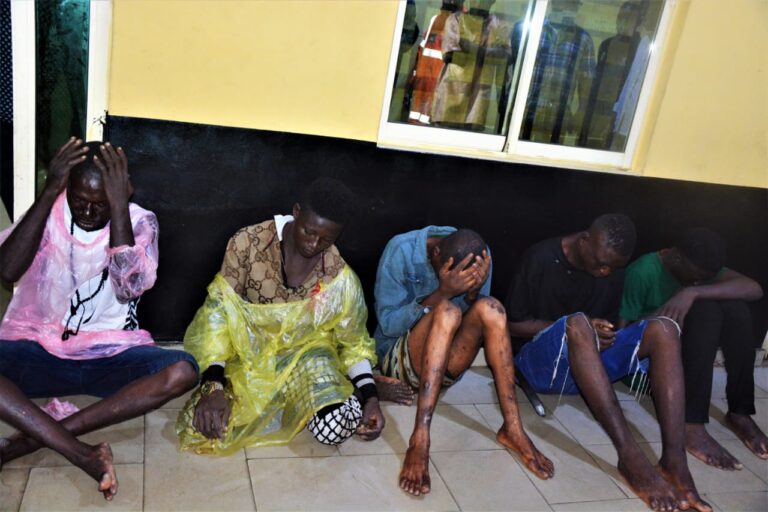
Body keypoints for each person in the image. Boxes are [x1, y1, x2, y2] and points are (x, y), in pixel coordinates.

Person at [0, 138, 199, 500]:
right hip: (40, 347)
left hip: (110, 354)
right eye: (79, 200)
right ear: (67, 188)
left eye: (100, 204)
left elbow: (128, 287)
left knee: (183, 371)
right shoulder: (51, 210)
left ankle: (31, 440)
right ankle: (82, 453)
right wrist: (48, 194)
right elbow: (8, 269)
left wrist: (119, 207)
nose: (88, 212)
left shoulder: (138, 221)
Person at [176, 178, 411, 455]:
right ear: (296, 212)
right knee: (202, 426)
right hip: (248, 359)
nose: (313, 244)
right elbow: (216, 317)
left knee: (335, 428)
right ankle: (310, 398)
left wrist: (371, 400)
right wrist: (214, 386)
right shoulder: (247, 244)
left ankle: (352, 391)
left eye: (327, 239)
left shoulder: (338, 275)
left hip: (306, 358)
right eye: (308, 231)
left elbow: (353, 342)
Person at [506, 214, 709, 512]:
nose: (604, 271)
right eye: (601, 263)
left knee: (664, 327)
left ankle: (674, 461)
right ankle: (630, 457)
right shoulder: (540, 257)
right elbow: (512, 325)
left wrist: (601, 333)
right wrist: (581, 328)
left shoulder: (612, 270)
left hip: (590, 367)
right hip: (538, 366)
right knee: (577, 322)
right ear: (584, 240)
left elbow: (613, 325)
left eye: (613, 267)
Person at [375, 226, 554, 497]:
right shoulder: (401, 250)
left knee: (492, 308)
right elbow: (388, 325)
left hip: (444, 363)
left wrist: (472, 294)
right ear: (436, 254)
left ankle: (513, 428)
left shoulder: (479, 257)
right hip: (397, 358)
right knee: (446, 311)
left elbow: (475, 324)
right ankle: (420, 438)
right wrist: (442, 293)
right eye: (448, 273)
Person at [620, 227, 767, 470]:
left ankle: (740, 412)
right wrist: (670, 311)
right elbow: (624, 338)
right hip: (647, 369)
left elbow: (754, 289)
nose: (699, 279)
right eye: (695, 277)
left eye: (705, 278)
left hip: (682, 363)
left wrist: (693, 291)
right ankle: (691, 424)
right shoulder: (643, 271)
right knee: (705, 312)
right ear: (677, 257)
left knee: (737, 310)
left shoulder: (696, 275)